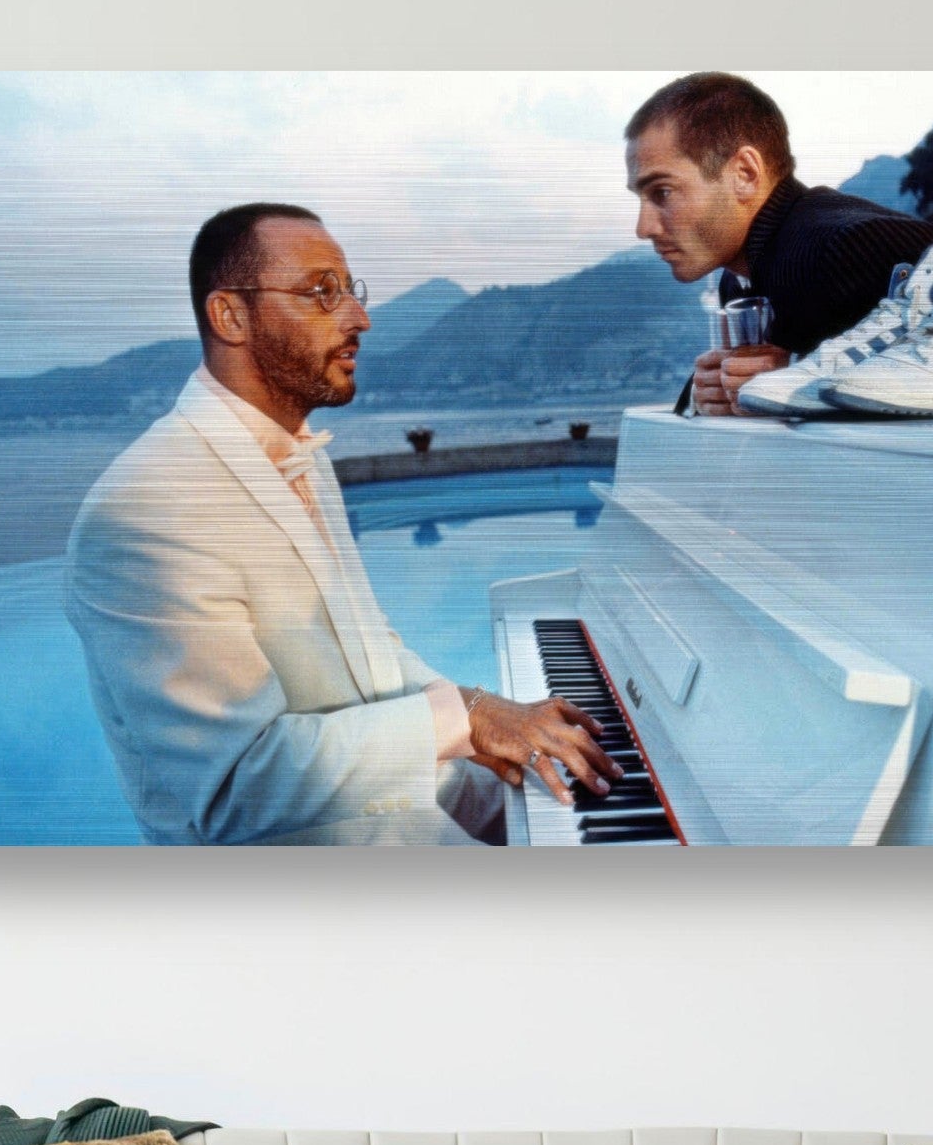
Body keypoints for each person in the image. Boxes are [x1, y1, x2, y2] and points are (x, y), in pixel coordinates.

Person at [65, 203, 622, 845]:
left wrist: (499, 750)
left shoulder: (302, 457)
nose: (359, 318)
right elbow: (234, 786)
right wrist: (464, 717)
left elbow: (370, 660)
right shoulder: (145, 512)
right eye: (321, 292)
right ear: (230, 316)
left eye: (350, 292)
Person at [624, 73, 933, 415]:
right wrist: (706, 395)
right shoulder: (740, 278)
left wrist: (798, 375)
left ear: (744, 174)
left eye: (663, 192)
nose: (643, 227)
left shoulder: (839, 249)